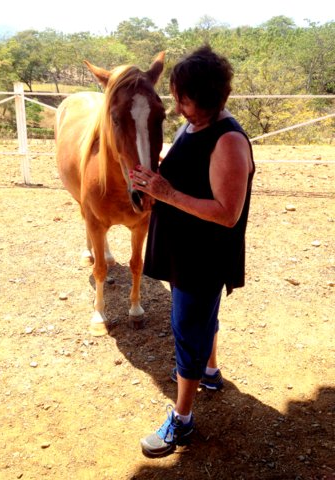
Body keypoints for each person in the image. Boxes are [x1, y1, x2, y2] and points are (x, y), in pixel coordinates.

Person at [130, 45, 255, 457]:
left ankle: (182, 421)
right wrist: (159, 166)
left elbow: (227, 213)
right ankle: (211, 372)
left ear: (202, 97)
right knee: (203, 319)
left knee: (188, 327)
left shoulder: (229, 141)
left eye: (182, 97)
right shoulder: (197, 124)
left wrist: (166, 192)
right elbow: (189, 163)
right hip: (186, 249)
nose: (177, 104)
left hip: (203, 256)